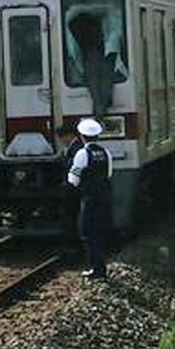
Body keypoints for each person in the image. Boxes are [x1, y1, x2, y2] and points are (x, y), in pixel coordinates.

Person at [68, 118, 113, 279]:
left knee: (87, 232)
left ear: (81, 136)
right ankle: (101, 267)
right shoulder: (105, 153)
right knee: (99, 232)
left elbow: (73, 178)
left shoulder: (82, 153)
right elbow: (108, 174)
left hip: (89, 198)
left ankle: (96, 269)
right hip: (104, 197)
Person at [56, 123, 83, 237]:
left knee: (71, 215)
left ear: (68, 136)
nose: (61, 141)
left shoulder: (76, 149)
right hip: (75, 188)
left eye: (61, 138)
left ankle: (73, 243)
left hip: (74, 189)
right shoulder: (76, 147)